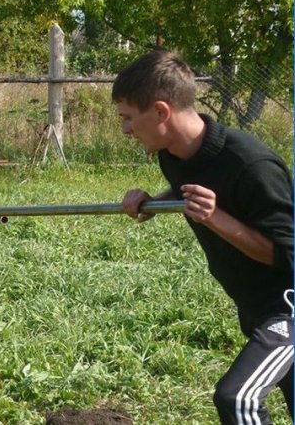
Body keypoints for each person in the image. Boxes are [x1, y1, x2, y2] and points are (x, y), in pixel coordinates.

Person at [115, 50, 293, 424]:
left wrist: (216, 219)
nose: (125, 130)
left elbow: (288, 255)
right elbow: (187, 190)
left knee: (237, 398)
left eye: (128, 118)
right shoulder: (173, 153)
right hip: (257, 305)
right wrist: (154, 202)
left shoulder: (252, 166)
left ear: (162, 113)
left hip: (288, 307)